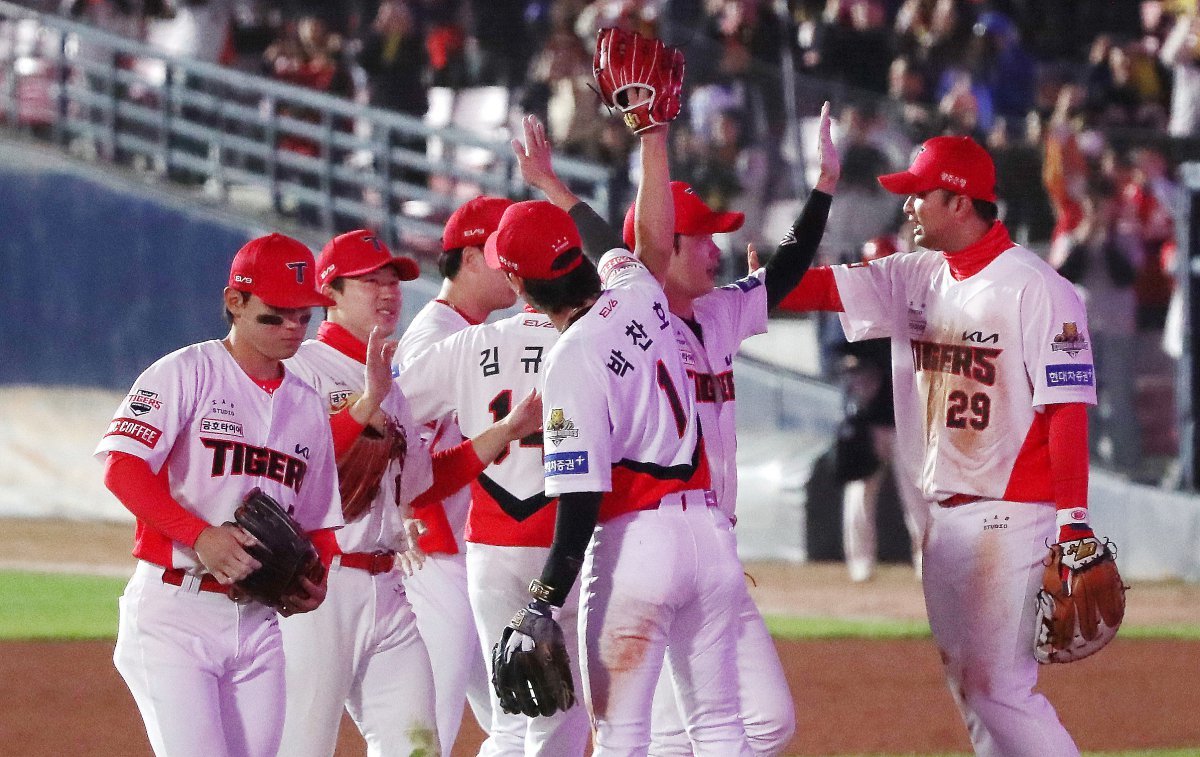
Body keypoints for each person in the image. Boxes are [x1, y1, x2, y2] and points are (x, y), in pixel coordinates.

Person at [507, 106, 838, 754]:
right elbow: (616, 243)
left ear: (519, 286)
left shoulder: (569, 356)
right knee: (719, 728)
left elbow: (579, 502)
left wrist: (543, 598)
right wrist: (576, 179)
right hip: (707, 539)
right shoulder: (637, 289)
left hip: (638, 543)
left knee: (624, 738)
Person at [782, 135, 1098, 755]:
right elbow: (795, 289)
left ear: (958, 201)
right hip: (943, 517)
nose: (907, 208)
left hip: (1011, 513)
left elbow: (1066, 414)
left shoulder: (1036, 288)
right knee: (970, 687)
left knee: (999, 688)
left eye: (918, 195)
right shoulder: (914, 275)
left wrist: (1075, 523)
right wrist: (814, 201)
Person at [277, 230, 542, 756]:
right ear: (329, 292)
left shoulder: (394, 384)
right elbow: (298, 458)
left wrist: (502, 432)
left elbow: (424, 479)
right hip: (321, 587)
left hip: (388, 587)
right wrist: (366, 403)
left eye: (394, 279)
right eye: (370, 281)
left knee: (416, 746)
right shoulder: (302, 369)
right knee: (301, 747)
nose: (388, 291)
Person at [95, 233, 344, 757]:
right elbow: (122, 468)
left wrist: (314, 577)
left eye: (303, 316)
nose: (291, 330)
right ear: (235, 302)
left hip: (259, 623)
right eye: (274, 316)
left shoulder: (307, 404)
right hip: (174, 613)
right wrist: (199, 535)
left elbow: (318, 518)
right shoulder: (185, 373)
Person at [399, 273, 587, 755]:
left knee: (510, 721)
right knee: (560, 716)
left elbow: (390, 413)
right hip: (562, 546)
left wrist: (401, 496)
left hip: (489, 545)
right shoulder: (588, 342)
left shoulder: (471, 343)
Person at [394, 196, 517, 753]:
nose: (513, 265)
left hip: (464, 556)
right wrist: (401, 515)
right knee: (431, 729)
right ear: (470, 258)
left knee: (517, 718)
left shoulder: (464, 330)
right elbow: (393, 440)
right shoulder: (437, 336)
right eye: (501, 253)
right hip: (435, 557)